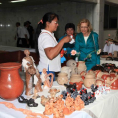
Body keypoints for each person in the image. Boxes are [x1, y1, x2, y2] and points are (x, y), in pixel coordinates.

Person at [37, 12, 72, 80]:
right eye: (55, 22)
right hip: (46, 71)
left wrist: (60, 51)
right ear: (48, 23)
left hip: (48, 70)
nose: (57, 24)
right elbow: (50, 55)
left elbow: (52, 50)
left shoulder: (49, 35)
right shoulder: (45, 36)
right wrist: (62, 41)